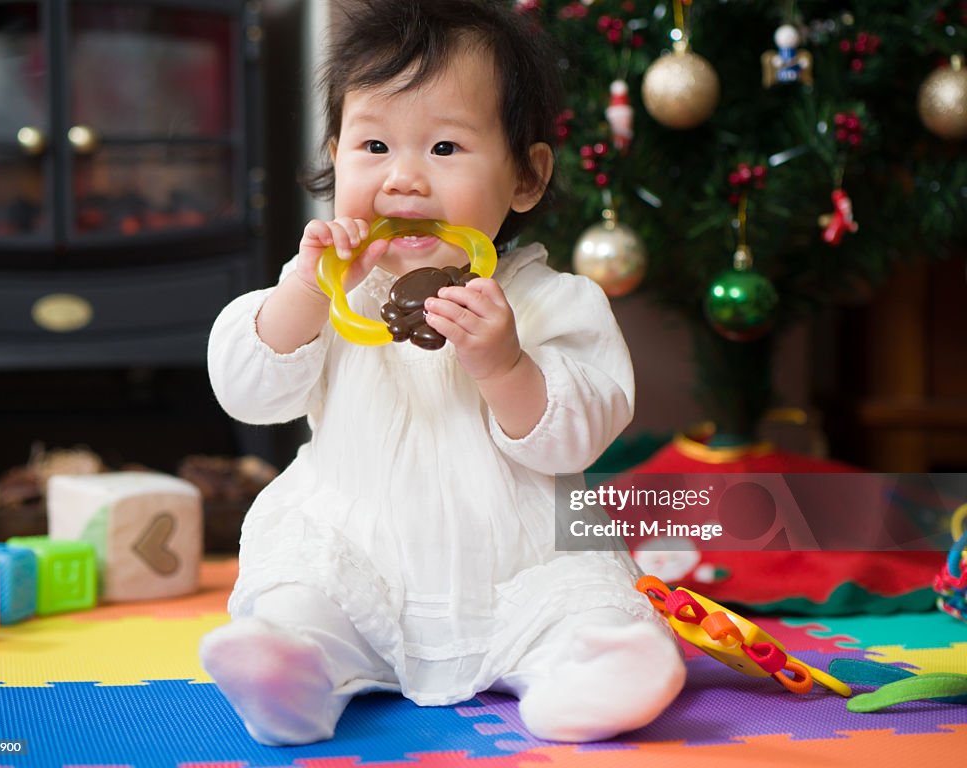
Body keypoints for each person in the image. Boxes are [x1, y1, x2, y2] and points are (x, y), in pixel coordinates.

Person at [200, 0, 685, 746]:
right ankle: (290, 672)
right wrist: (302, 288)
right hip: (356, 554)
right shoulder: (331, 292)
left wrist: (506, 365)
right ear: (335, 157)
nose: (402, 180)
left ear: (526, 176)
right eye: (372, 145)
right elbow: (247, 390)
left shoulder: (555, 301)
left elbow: (575, 440)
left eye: (445, 148)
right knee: (303, 593)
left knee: (588, 603)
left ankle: (594, 677)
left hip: (522, 566)